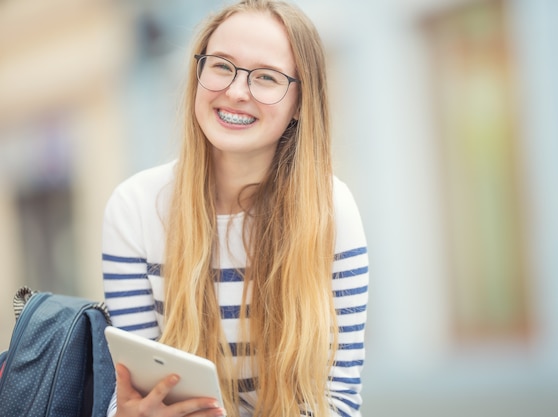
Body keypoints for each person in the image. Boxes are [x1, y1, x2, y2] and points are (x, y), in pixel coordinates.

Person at [101, 0, 369, 416]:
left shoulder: (331, 209)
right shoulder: (134, 209)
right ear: (198, 74)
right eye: (222, 66)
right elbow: (130, 389)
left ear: (300, 102)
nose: (236, 91)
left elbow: (340, 403)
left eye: (266, 77)